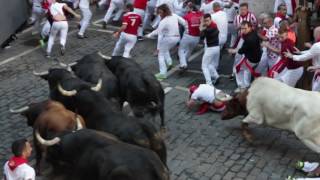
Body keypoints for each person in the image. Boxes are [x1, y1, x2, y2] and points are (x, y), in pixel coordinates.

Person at [145, 4, 186, 80]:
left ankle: (162, 73)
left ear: (164, 11)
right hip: (177, 38)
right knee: (165, 50)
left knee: (160, 54)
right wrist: (187, 31)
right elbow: (184, 22)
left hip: (169, 38)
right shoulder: (174, 15)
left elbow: (158, 33)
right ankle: (169, 63)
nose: (160, 15)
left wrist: (149, 35)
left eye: (160, 12)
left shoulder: (163, 21)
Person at [228, 21, 262, 91]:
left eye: (245, 28)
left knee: (238, 68)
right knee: (246, 70)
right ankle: (246, 85)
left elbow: (241, 51)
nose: (243, 30)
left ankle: (242, 86)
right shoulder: (253, 33)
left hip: (251, 59)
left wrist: (232, 51)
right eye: (242, 28)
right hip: (255, 57)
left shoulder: (249, 39)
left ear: (250, 28)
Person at [285, 27, 320, 91]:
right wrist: (300, 52)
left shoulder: (317, 45)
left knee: (316, 94)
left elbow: (305, 57)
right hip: (317, 70)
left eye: (314, 33)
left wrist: (292, 56)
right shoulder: (316, 46)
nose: (314, 35)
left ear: (318, 34)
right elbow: (312, 52)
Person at [178, 3, 202, 71]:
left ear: (191, 8)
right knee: (190, 50)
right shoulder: (200, 15)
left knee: (181, 50)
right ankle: (184, 62)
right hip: (197, 37)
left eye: (188, 8)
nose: (186, 9)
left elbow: (182, 24)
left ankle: (183, 64)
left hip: (188, 36)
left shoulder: (187, 16)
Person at [200, 13, 220, 85]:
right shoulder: (214, 25)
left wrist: (202, 27)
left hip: (211, 49)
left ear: (211, 19)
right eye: (205, 21)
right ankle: (216, 76)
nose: (206, 22)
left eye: (207, 20)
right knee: (209, 64)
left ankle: (209, 83)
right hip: (216, 48)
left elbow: (201, 37)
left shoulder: (207, 29)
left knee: (204, 66)